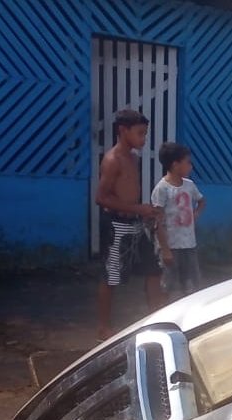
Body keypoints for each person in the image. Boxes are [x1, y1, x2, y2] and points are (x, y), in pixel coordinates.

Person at [96, 109, 162, 341]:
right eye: (140, 133)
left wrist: (143, 211)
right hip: (116, 224)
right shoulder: (113, 160)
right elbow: (101, 197)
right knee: (111, 276)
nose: (144, 138)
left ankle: (158, 319)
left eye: (145, 133)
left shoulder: (133, 157)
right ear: (123, 131)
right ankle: (104, 327)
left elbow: (129, 192)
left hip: (134, 222)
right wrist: (138, 209)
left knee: (154, 270)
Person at [151, 142, 206, 298]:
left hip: (189, 244)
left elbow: (202, 200)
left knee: (191, 285)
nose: (190, 166)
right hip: (171, 247)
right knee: (170, 286)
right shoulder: (162, 189)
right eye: (187, 162)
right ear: (175, 165)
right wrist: (165, 250)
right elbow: (158, 222)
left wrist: (196, 213)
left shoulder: (190, 185)